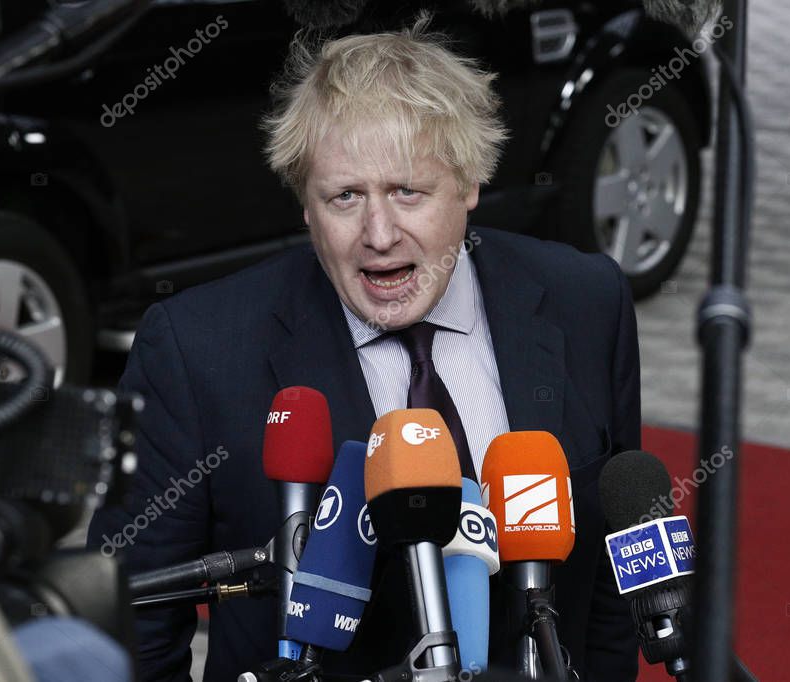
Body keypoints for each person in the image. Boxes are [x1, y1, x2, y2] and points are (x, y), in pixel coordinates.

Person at [88, 16, 640, 681]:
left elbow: (610, 579)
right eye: (345, 196)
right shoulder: (197, 347)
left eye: (408, 191)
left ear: (470, 183)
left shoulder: (586, 300)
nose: (378, 234)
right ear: (306, 205)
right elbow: (128, 620)